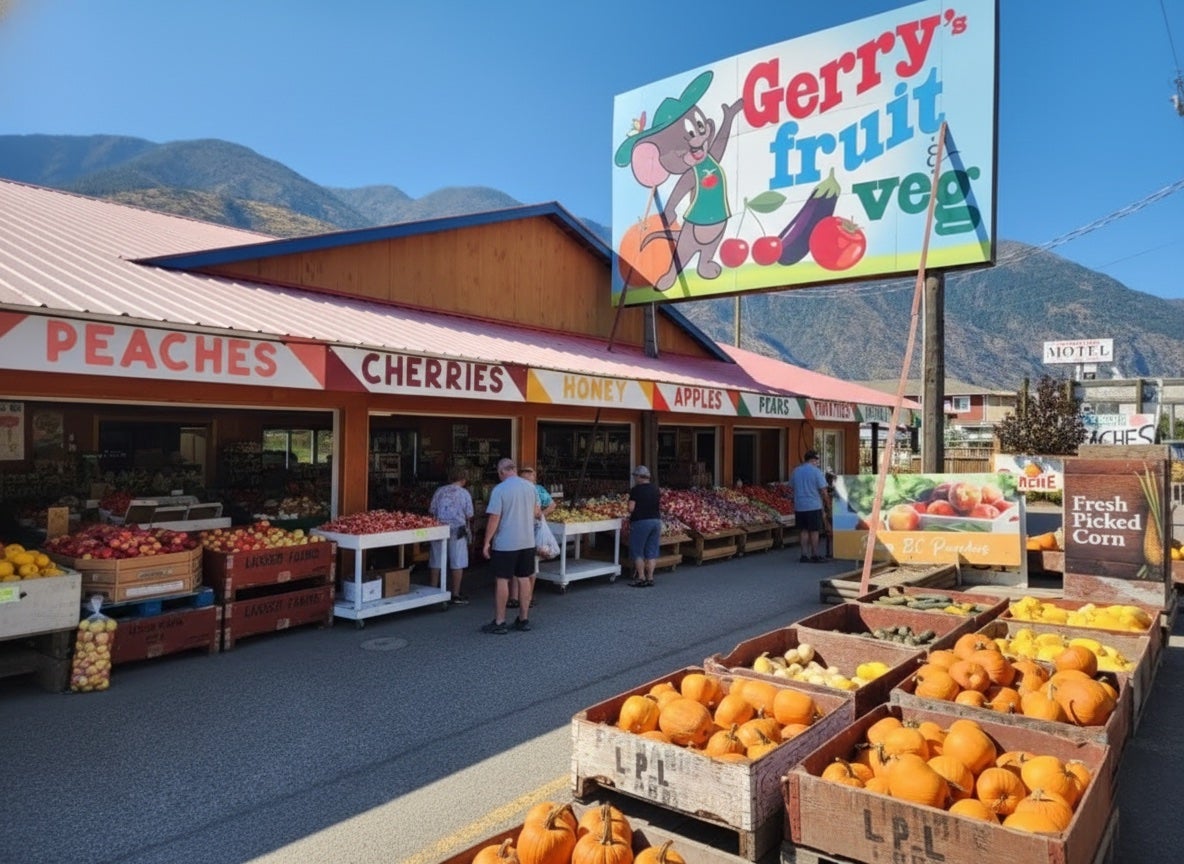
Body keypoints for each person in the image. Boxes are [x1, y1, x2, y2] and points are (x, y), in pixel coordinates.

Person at [481, 457, 540, 634]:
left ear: (501, 472)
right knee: (524, 579)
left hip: (506, 542)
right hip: (527, 540)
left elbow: (494, 518)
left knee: (502, 579)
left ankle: (500, 621)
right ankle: (523, 618)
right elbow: (537, 512)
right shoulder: (530, 487)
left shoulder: (500, 489)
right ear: (514, 469)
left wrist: (486, 542)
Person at [509, 466, 557, 610]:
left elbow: (552, 504)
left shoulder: (538, 490)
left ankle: (527, 596)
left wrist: (541, 514)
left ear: (534, 479)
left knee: (530, 565)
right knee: (518, 564)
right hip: (519, 531)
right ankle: (515, 597)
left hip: (532, 532)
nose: (527, 482)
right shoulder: (518, 490)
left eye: (529, 479)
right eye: (524, 479)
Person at [428, 466, 475, 605]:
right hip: (457, 530)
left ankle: (433, 590)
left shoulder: (439, 491)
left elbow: (432, 510)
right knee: (457, 561)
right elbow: (469, 514)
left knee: (436, 560)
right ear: (463, 479)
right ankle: (455, 593)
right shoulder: (464, 493)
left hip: (438, 529)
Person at [790, 450, 830, 563]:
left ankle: (804, 555)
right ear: (813, 459)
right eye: (817, 459)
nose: (818, 462)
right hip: (813, 505)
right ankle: (815, 555)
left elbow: (791, 486)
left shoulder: (796, 471)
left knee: (803, 530)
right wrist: (828, 504)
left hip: (800, 506)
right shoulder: (816, 472)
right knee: (814, 531)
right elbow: (823, 490)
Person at [626, 465, 662, 587]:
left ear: (640, 477)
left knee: (637, 551)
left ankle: (641, 578)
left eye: (635, 476)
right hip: (656, 522)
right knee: (651, 551)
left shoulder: (636, 490)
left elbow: (631, 508)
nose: (634, 478)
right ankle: (650, 578)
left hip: (641, 522)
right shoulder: (655, 489)